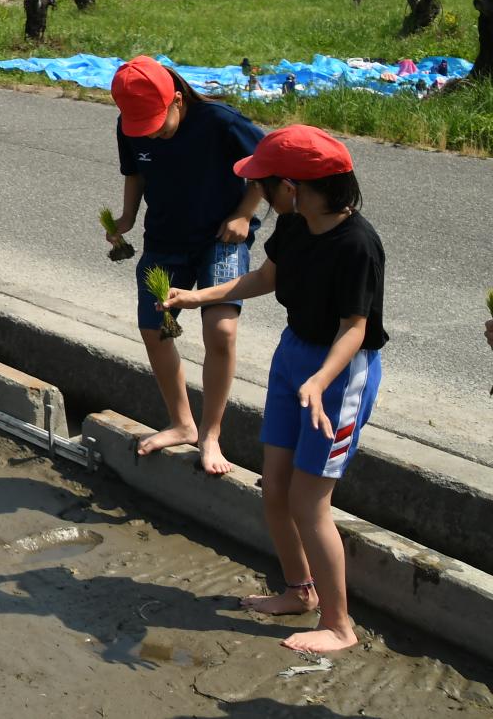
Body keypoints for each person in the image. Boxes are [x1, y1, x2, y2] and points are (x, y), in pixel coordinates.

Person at [162, 126, 385, 655]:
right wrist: (198, 297)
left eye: (264, 184)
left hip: (339, 374)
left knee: (309, 502)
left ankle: (339, 626)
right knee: (276, 487)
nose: (258, 193)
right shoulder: (295, 225)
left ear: (297, 185)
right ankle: (297, 590)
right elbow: (264, 277)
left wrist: (321, 379)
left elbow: (355, 328)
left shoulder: (358, 244)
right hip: (294, 359)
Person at [109, 54, 265, 476]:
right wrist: (126, 218)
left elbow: (267, 168)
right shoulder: (130, 127)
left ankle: (211, 433)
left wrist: (245, 213)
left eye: (158, 124)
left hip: (220, 236)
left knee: (221, 329)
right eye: (142, 129)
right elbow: (135, 176)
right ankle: (183, 423)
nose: (152, 136)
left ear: (177, 99)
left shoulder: (220, 122)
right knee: (154, 328)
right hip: (165, 238)